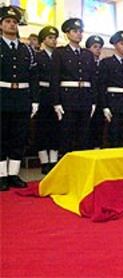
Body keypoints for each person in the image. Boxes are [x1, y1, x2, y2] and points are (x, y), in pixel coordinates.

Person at [0, 5, 39, 191]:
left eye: (14, 22)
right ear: (1, 25)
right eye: (7, 21)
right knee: (1, 137)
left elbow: (33, 77)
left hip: (22, 98)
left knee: (18, 137)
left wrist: (34, 100)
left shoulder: (28, 50)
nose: (11, 25)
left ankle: (13, 174)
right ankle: (1, 175)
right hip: (2, 96)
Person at [51, 18, 97, 155]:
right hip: (68, 97)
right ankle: (66, 165)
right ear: (67, 34)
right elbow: (55, 78)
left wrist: (94, 100)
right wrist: (56, 102)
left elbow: (93, 78)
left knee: (83, 133)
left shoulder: (87, 54)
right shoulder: (60, 53)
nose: (78, 34)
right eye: (75, 31)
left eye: (80, 31)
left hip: (85, 97)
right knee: (67, 133)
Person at [35, 25, 60, 174]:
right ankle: (44, 161)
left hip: (56, 95)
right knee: (42, 129)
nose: (54, 40)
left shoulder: (59, 56)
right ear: (43, 40)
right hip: (43, 94)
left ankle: (53, 159)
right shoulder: (38, 56)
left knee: (55, 129)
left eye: (55, 37)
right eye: (50, 37)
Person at [85, 35, 105, 148]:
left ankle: (97, 148)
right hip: (87, 99)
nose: (98, 49)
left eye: (100, 47)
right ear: (88, 49)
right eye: (95, 46)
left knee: (99, 127)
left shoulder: (103, 64)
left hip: (100, 100)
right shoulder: (84, 64)